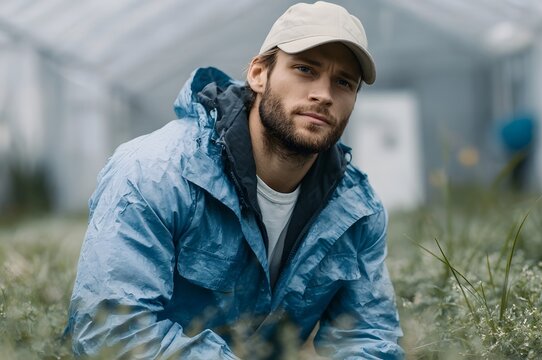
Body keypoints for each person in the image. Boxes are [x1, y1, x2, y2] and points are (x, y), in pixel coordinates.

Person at [66, 1, 404, 358]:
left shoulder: (356, 211)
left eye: (343, 82)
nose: (324, 94)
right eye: (305, 69)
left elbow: (368, 337)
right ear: (258, 74)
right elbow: (111, 330)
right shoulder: (155, 173)